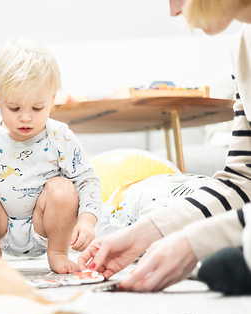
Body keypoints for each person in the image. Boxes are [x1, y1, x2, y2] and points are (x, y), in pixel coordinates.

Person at [78, 0, 251, 295]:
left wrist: (196, 242)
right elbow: (242, 182)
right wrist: (143, 234)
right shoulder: (242, 49)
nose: (173, 11)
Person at [0, 39, 101, 275]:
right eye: (14, 108)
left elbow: (87, 180)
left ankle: (58, 254)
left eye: (37, 108)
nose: (25, 118)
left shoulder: (60, 136)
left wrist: (87, 220)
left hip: (45, 228)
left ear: (52, 99)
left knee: (63, 187)